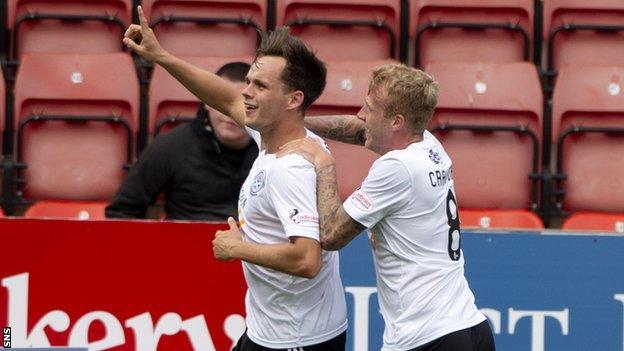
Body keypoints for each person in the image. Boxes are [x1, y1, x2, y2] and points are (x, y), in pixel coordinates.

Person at [123, 6, 347, 351]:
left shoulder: (291, 168)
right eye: (248, 82)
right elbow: (225, 97)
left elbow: (307, 260)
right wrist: (161, 56)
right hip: (270, 330)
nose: (245, 92)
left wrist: (237, 249)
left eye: (259, 85)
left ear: (293, 99)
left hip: (295, 340)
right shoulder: (274, 134)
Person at [278, 64, 496, 351]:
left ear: (396, 122)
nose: (360, 115)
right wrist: (294, 125)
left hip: (426, 338)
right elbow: (361, 131)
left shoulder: (397, 167)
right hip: (468, 328)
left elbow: (330, 235)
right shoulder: (428, 144)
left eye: (368, 108)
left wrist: (324, 162)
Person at [105, 62, 258, 221]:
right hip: (184, 243)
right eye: (221, 101)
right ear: (206, 102)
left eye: (242, 104)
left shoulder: (276, 150)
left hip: (256, 244)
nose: (229, 114)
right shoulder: (171, 146)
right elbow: (121, 212)